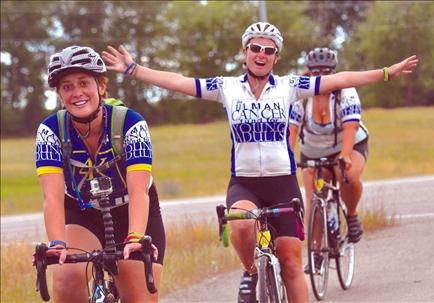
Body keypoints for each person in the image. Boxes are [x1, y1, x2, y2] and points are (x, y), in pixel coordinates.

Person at [102, 22, 417, 303]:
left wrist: (386, 72)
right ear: (245, 51)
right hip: (244, 182)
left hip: (283, 183)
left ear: (276, 57)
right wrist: (133, 69)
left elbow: (341, 79)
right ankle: (251, 271)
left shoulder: (289, 87)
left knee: (293, 263)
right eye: (256, 47)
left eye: (269, 50)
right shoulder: (226, 88)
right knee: (239, 225)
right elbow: (179, 81)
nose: (262, 54)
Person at [35, 45, 165, 302]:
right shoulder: (50, 131)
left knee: (139, 297)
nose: (77, 93)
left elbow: (139, 192)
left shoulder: (131, 123)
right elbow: (52, 197)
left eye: (84, 83)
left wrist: (136, 237)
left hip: (132, 210)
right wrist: (57, 244)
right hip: (82, 212)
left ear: (101, 87)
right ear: (60, 94)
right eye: (67, 87)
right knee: (67, 281)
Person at [289, 47, 369, 273]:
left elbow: (351, 127)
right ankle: (315, 253)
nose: (321, 77)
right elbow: (292, 131)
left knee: (348, 176)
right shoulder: (301, 95)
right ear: (309, 73)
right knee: (313, 197)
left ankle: (351, 216)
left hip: (348, 144)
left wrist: (344, 156)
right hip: (313, 151)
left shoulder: (346, 92)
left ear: (335, 72)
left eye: (327, 72)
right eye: (316, 73)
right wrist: (287, 157)